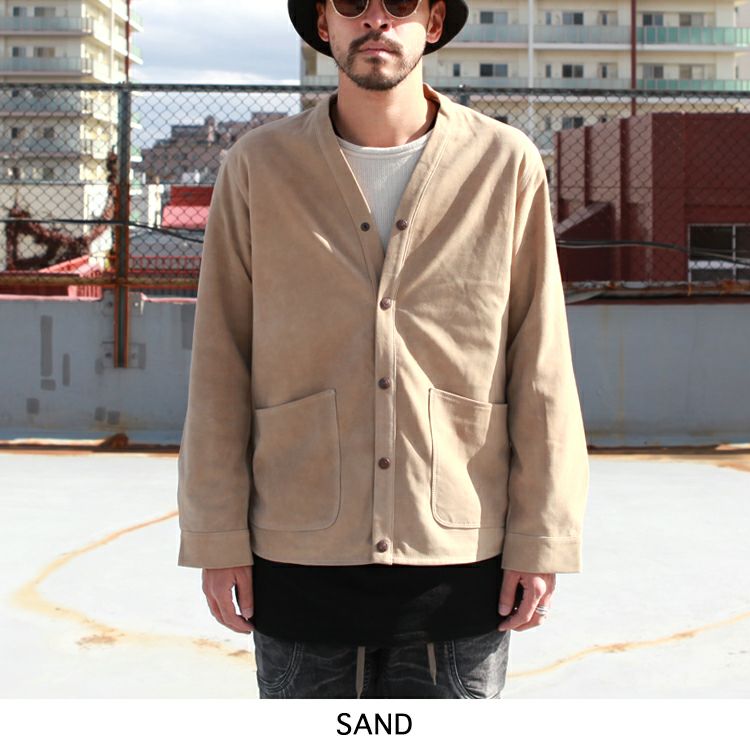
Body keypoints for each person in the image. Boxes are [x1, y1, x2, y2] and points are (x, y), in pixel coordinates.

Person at [176, 0, 589, 699]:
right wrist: (216, 538)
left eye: (399, 3)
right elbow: (220, 359)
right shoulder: (259, 166)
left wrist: (543, 536)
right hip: (297, 555)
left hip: (462, 559)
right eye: (352, 3)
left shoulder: (503, 163)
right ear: (323, 24)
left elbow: (541, 359)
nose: (376, 19)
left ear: (433, 22)